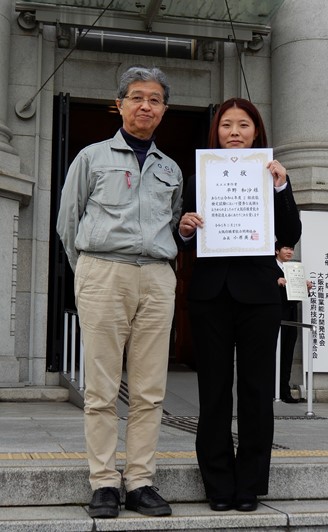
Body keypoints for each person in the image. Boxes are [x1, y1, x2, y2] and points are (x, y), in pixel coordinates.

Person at [57, 66, 183, 519]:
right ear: (121, 104)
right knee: (102, 389)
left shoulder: (171, 169)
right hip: (103, 272)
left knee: (150, 390)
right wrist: (88, 273)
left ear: (164, 109)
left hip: (156, 276)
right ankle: (104, 481)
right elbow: (68, 222)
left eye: (154, 99)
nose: (145, 105)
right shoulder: (91, 157)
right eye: (136, 97)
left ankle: (141, 481)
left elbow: (172, 224)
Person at [176, 98, 302, 512]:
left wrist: (282, 187)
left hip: (260, 297)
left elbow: (289, 233)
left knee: (255, 390)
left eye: (243, 125)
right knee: (213, 392)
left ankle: (248, 484)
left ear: (256, 132)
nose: (234, 131)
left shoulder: (273, 177)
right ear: (216, 132)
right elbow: (181, 237)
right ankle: (217, 484)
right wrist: (186, 229)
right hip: (210, 295)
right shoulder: (198, 178)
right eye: (226, 124)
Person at [275, 242, 312, 403]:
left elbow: (294, 297)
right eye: (286, 249)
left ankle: (284, 391)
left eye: (291, 249)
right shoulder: (270, 269)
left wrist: (305, 289)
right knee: (273, 355)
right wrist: (275, 284)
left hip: (291, 318)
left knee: (287, 353)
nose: (290, 252)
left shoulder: (293, 270)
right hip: (274, 317)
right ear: (277, 251)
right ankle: (271, 391)